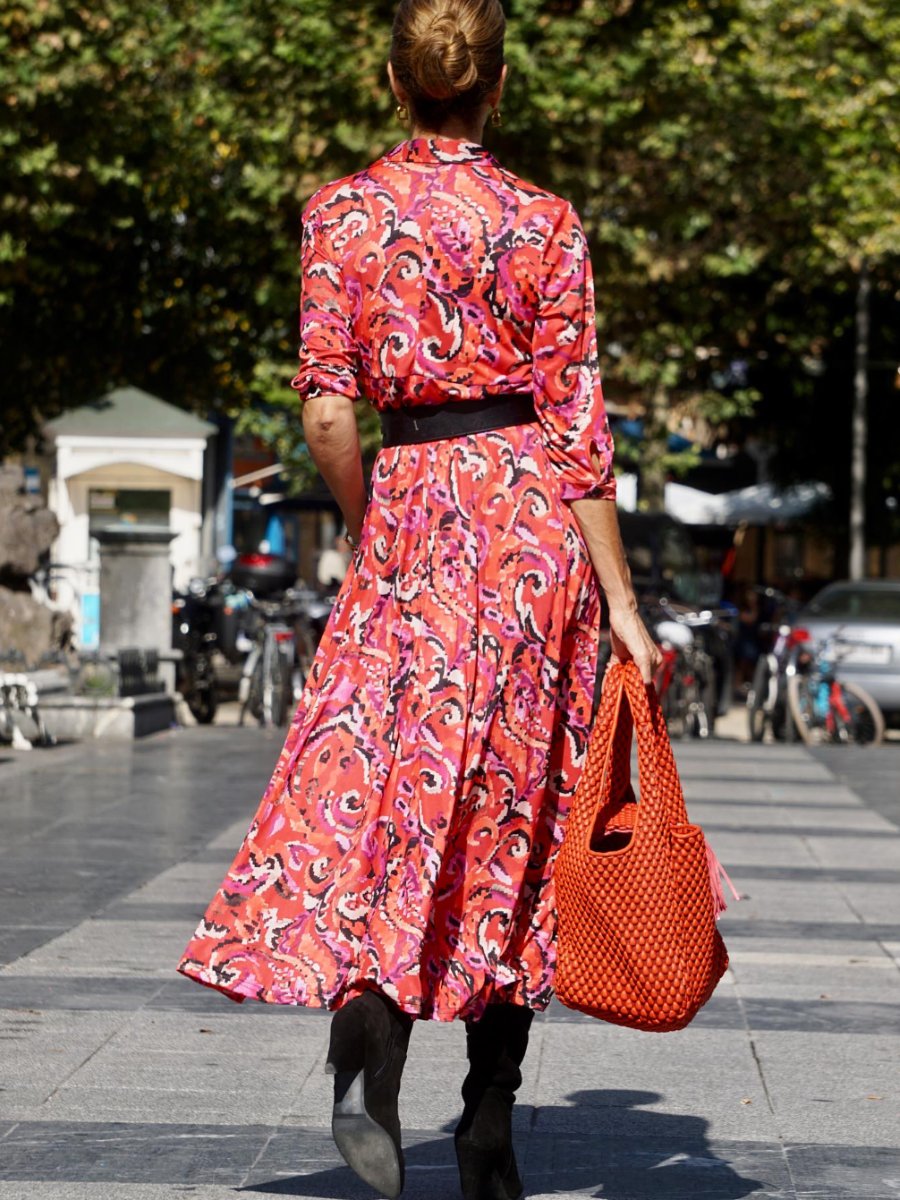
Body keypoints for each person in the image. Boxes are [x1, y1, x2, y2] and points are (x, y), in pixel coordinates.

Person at [177, 2, 661, 1197]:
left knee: (390, 794)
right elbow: (579, 433)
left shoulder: (341, 214)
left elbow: (328, 409)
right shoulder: (548, 224)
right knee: (522, 808)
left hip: (413, 517)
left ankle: (368, 1040)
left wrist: (371, 519)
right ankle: (489, 1120)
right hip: (531, 528)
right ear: (497, 89)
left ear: (397, 86)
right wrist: (626, 611)